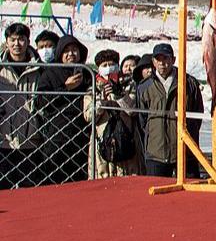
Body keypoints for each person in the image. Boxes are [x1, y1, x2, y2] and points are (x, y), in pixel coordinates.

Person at [136, 44, 204, 178]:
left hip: (185, 151)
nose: (162, 63)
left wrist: (190, 132)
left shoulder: (189, 83)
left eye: (166, 58)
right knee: (156, 190)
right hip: (156, 153)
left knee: (190, 189)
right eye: (158, 59)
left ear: (173, 60)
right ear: (153, 62)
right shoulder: (144, 86)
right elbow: (142, 119)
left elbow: (197, 114)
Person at [35, 34, 92, 184]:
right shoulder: (50, 73)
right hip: (57, 136)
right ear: (60, 53)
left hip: (83, 135)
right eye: (66, 51)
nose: (71, 54)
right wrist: (66, 87)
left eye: (74, 50)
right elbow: (41, 101)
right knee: (55, 180)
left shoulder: (87, 73)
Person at [83, 49, 143, 178]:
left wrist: (119, 95)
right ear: (98, 69)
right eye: (104, 65)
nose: (108, 68)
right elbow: (88, 116)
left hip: (127, 138)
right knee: (102, 178)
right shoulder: (93, 88)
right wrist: (101, 102)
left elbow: (133, 111)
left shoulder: (130, 85)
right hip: (102, 140)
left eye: (111, 64)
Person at [0, 23, 43, 188]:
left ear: (28, 41)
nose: (16, 44)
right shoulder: (0, 68)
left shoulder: (40, 68)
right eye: (12, 40)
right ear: (7, 42)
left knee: (29, 192)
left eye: (21, 39)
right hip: (4, 140)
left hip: (31, 139)